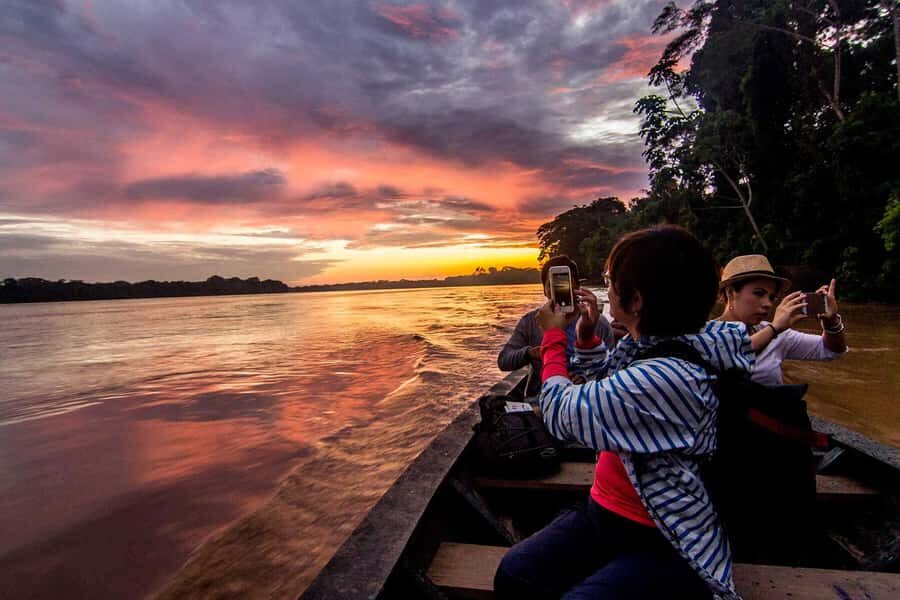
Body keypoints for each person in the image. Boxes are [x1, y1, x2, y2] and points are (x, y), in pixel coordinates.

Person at [494, 225, 753, 599]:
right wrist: (585, 338)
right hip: (606, 512)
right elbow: (606, 380)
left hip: (665, 534)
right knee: (515, 574)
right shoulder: (658, 344)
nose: (607, 289)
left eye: (610, 281)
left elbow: (560, 413)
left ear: (635, 301)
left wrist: (552, 340)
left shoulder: (666, 376)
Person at [497, 255, 617, 397]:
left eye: (563, 284)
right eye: (551, 285)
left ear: (577, 286)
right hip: (541, 398)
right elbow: (504, 361)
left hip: (586, 397)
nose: (557, 290)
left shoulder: (596, 322)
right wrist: (529, 353)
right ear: (544, 291)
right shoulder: (531, 321)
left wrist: (586, 379)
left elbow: (612, 369)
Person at [717, 255, 847, 385]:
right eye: (759, 293)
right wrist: (774, 329)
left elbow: (832, 350)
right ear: (731, 292)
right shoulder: (706, 334)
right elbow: (728, 353)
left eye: (772, 297)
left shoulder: (775, 332)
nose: (768, 303)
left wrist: (831, 322)